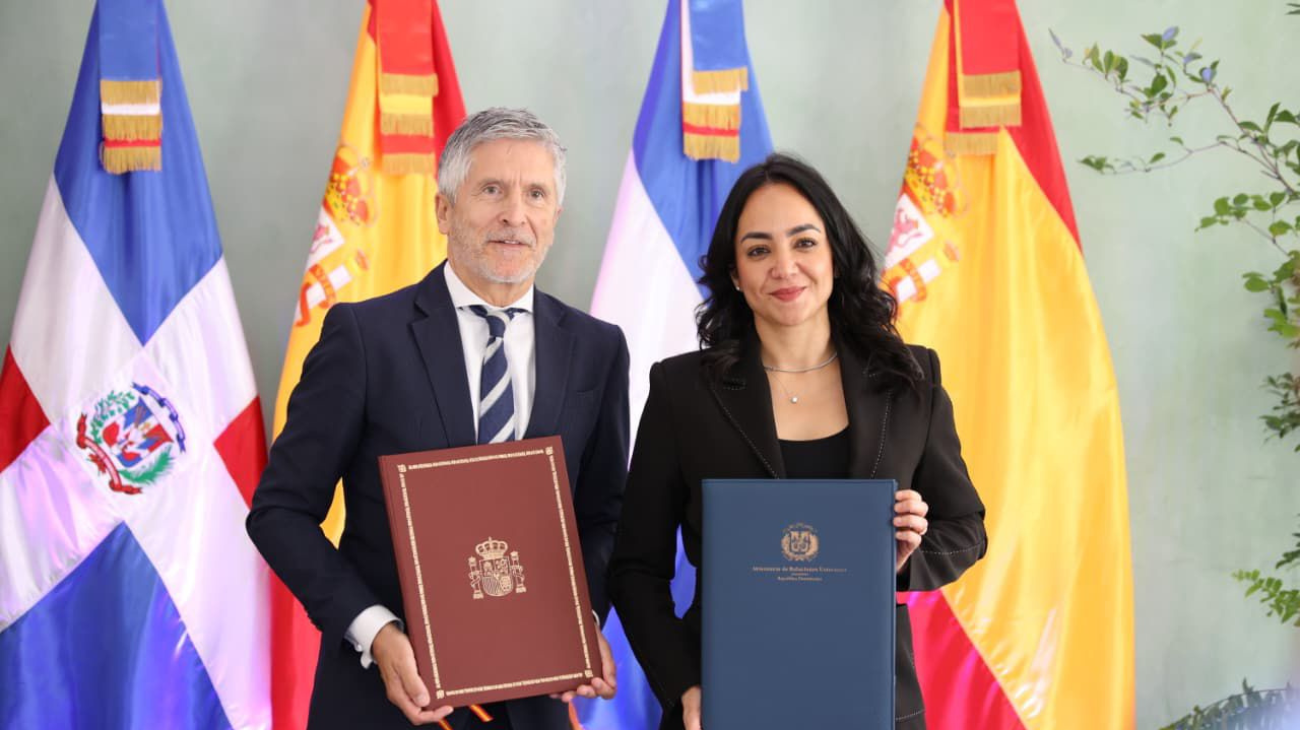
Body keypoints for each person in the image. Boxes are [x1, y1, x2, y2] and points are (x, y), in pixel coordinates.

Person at [247, 108, 627, 730]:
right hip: (383, 701)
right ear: (444, 211)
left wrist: (578, 622)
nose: (515, 214)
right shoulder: (365, 338)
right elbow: (280, 511)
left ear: (555, 217)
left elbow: (604, 514)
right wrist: (375, 631)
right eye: (492, 190)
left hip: (537, 704)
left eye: (536, 194)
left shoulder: (597, 349)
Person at [606, 153, 987, 730]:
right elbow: (636, 567)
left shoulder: (909, 379)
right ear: (735, 273)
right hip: (724, 700)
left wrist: (901, 559)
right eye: (759, 250)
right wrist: (685, 685)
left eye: (804, 243)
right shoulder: (682, 390)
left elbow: (967, 530)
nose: (785, 267)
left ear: (835, 254)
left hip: (871, 701)